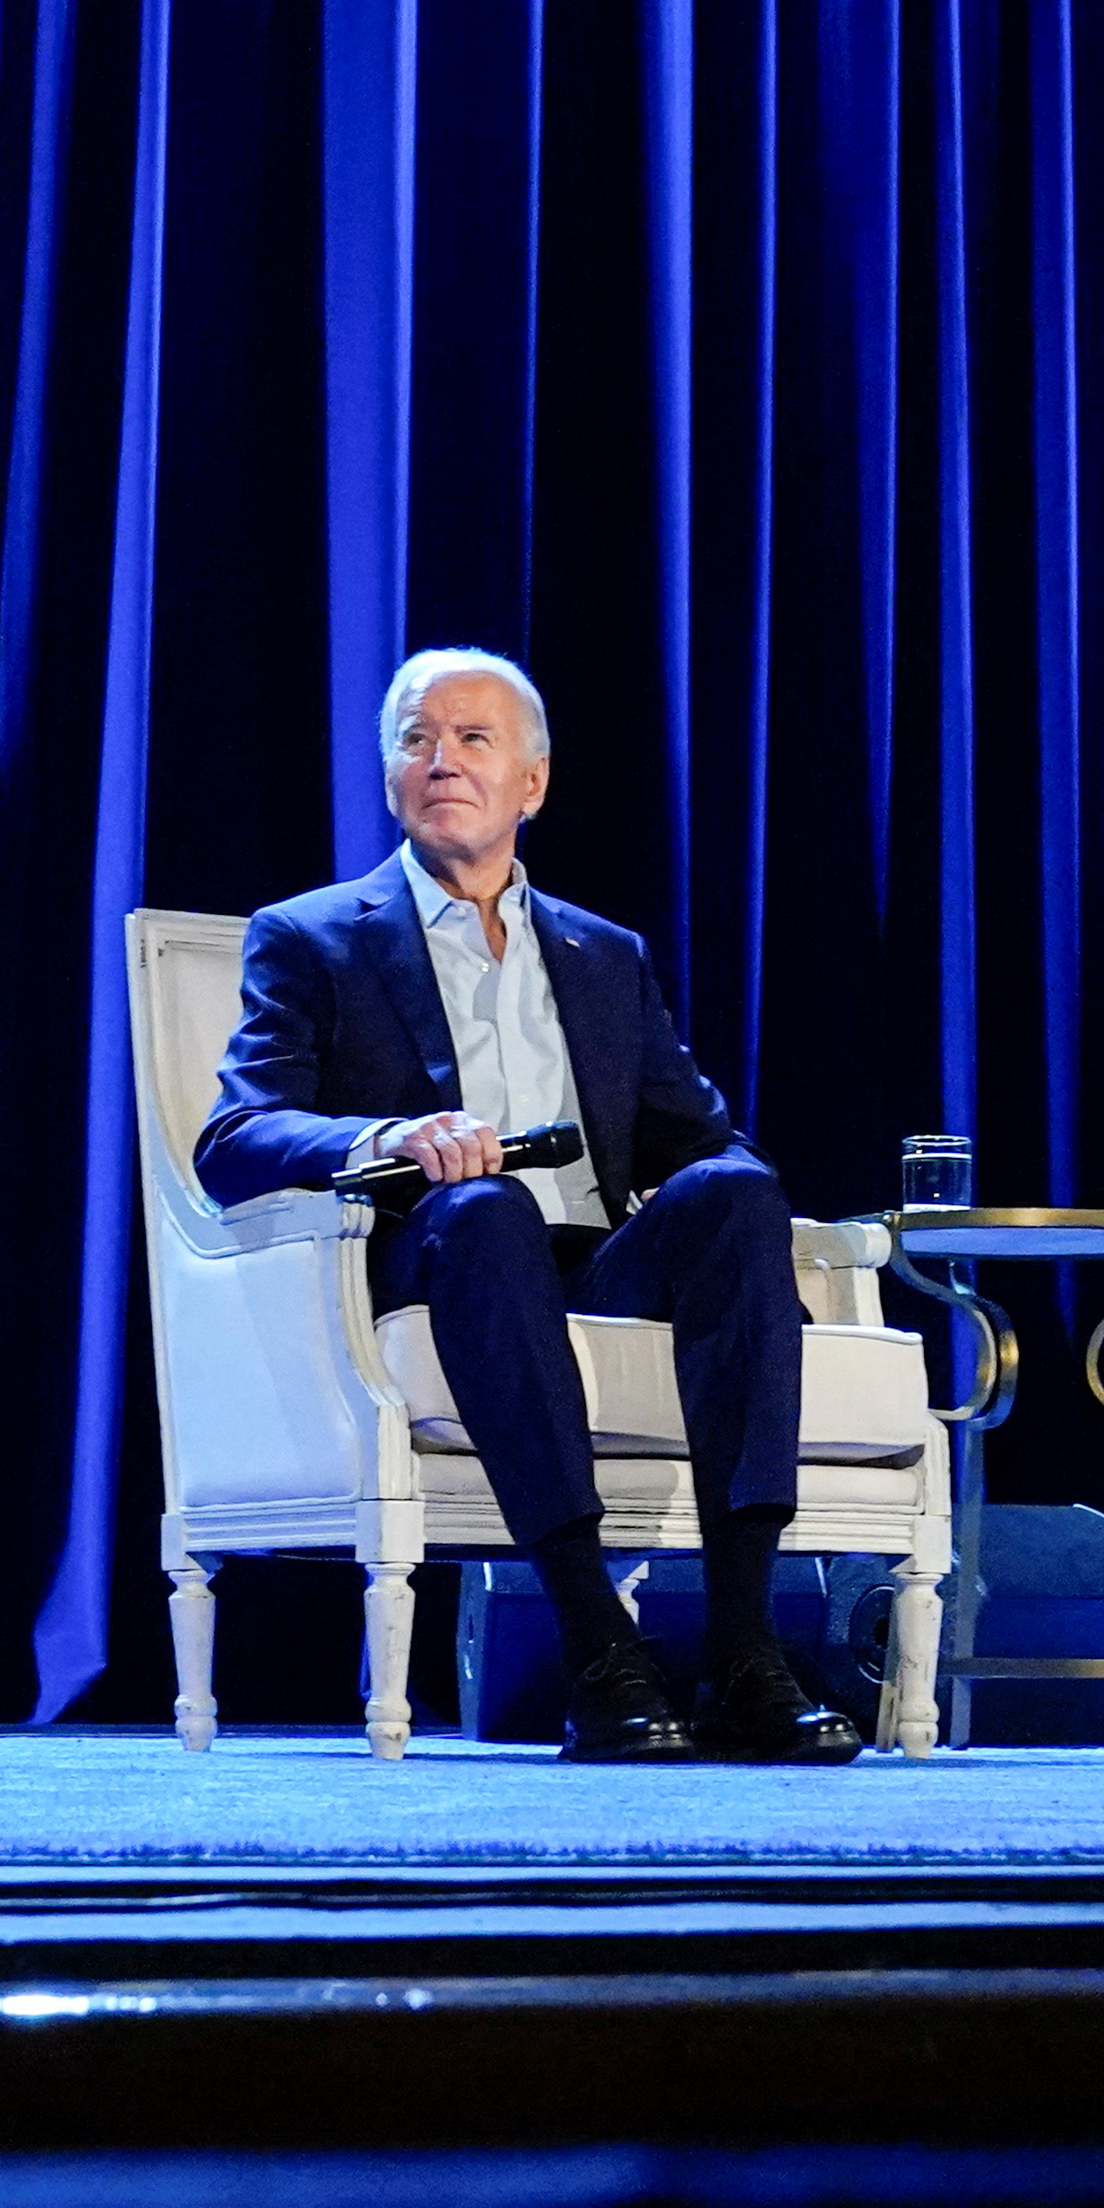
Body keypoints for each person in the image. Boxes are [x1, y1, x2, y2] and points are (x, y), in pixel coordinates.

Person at [198, 648, 863, 1763]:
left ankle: (746, 1654)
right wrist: (388, 1138)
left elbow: (699, 1142)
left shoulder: (604, 955)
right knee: (489, 1208)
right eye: (416, 738)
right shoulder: (311, 936)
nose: (440, 760)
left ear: (531, 783)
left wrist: (746, 1235)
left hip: (595, 1260)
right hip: (440, 1247)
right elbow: (233, 1139)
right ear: (389, 773)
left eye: (471, 739)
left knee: (738, 1190)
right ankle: (599, 1647)